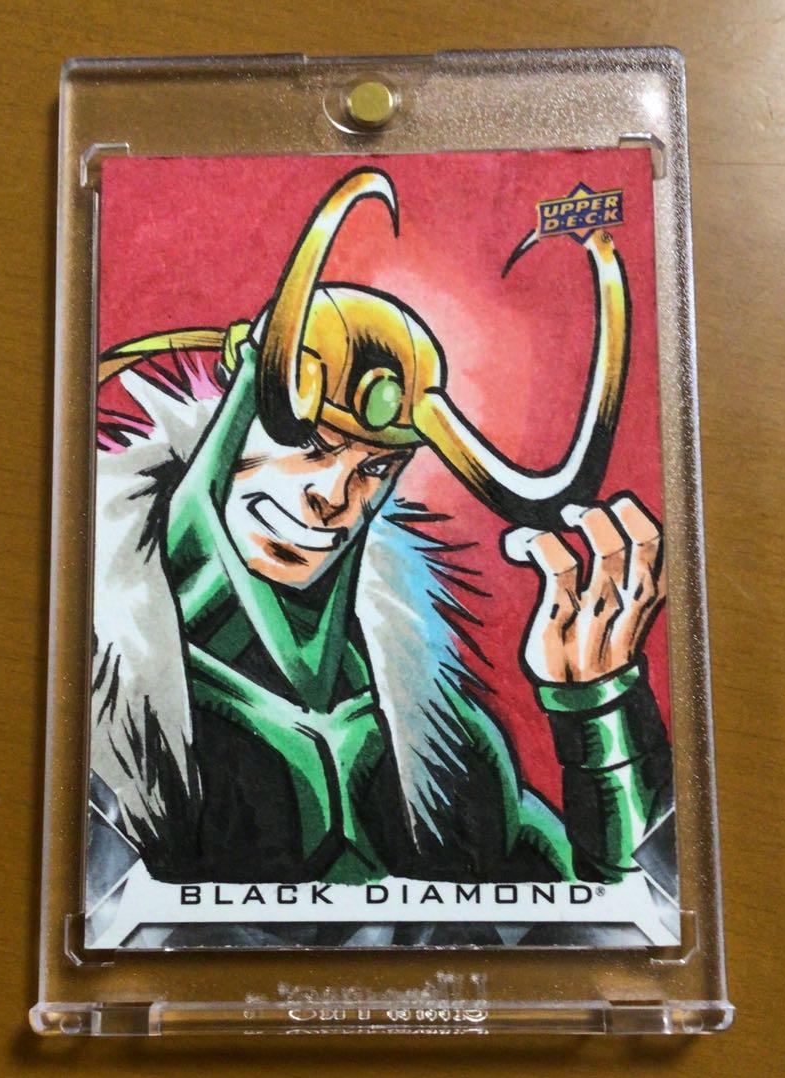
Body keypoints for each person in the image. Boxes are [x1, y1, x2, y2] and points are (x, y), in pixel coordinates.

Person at [89, 168, 673, 901]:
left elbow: (628, 911)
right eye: (309, 446)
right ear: (235, 424)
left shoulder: (440, 742)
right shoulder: (97, 696)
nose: (334, 498)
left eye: (374, 468)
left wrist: (597, 706)